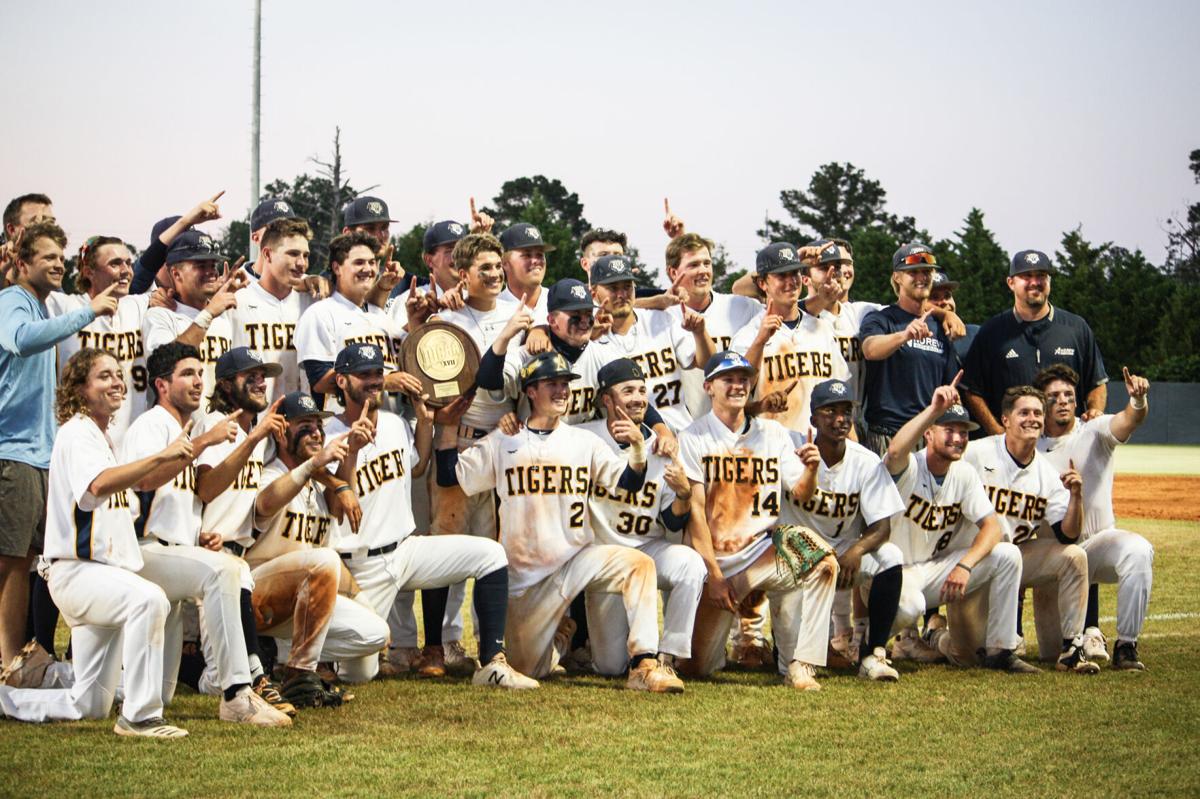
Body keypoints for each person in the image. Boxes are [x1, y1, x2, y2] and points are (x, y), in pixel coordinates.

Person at [437, 351, 683, 691]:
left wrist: (639, 448)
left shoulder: (584, 441)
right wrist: (448, 426)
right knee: (529, 669)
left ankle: (644, 665)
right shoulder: (504, 440)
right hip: (524, 582)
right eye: (551, 383)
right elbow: (451, 475)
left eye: (565, 384)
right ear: (530, 392)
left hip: (575, 561)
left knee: (638, 564)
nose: (562, 391)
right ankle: (560, 640)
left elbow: (628, 482)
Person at [0, 349, 188, 737]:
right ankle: (140, 717)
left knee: (89, 703)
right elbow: (98, 486)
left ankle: (6, 700)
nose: (117, 383)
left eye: (119, 375)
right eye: (104, 376)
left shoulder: (101, 437)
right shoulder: (77, 432)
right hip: (78, 572)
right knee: (148, 599)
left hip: (99, 575)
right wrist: (159, 457)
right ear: (80, 389)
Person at [325, 343, 534, 688]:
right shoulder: (328, 434)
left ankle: (492, 664)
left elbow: (419, 466)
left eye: (378, 373)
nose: (374, 381)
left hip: (405, 552)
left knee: (491, 554)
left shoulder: (392, 423)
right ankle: (312, 654)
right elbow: (336, 508)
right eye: (364, 375)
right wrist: (352, 453)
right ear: (342, 382)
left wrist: (425, 422)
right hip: (360, 565)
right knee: (359, 674)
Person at [123, 342, 293, 725]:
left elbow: (186, 497)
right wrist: (205, 442)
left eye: (200, 373)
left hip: (175, 552)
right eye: (187, 374)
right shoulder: (151, 425)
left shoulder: (185, 427)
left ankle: (59, 682)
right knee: (225, 570)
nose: (198, 381)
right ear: (161, 385)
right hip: (144, 551)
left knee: (152, 692)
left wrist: (200, 537)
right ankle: (237, 694)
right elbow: (146, 480)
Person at [676, 351, 838, 690]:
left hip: (763, 551)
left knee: (824, 563)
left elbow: (802, 493)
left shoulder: (773, 434)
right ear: (708, 386)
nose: (738, 385)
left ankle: (801, 663)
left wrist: (811, 469)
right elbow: (695, 514)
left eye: (743, 379)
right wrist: (715, 576)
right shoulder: (693, 437)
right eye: (728, 379)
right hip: (717, 562)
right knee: (696, 667)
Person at [0, 221, 117, 669]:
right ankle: (10, 663)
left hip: (36, 453)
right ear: (21, 261)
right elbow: (20, 340)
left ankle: (28, 658)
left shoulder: (42, 307)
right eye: (46, 256)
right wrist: (88, 311)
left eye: (60, 257)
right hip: (12, 452)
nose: (56, 264)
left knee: (30, 561)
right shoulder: (14, 301)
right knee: (11, 565)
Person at [881, 383, 1037, 672]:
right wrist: (933, 410)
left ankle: (1001, 651)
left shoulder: (964, 473)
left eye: (963, 432)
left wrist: (965, 565)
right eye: (948, 429)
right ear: (928, 433)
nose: (958, 438)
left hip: (934, 570)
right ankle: (869, 642)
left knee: (1007, 554)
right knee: (910, 606)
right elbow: (893, 450)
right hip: (891, 572)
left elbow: (992, 527)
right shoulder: (909, 467)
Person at [248, 391, 389, 704]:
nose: (315, 431)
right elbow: (264, 504)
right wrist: (315, 464)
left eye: (318, 424)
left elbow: (336, 525)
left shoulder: (316, 483)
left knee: (375, 633)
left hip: (300, 604)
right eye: (304, 424)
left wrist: (349, 453)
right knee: (322, 560)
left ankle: (281, 655)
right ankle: (299, 673)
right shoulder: (269, 473)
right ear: (282, 431)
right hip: (258, 597)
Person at [579, 359, 707, 674]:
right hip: (603, 554)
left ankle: (669, 657)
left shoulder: (662, 445)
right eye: (627, 391)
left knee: (690, 564)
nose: (637, 397)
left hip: (647, 549)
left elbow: (672, 523)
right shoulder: (582, 438)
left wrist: (683, 494)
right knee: (610, 667)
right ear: (606, 400)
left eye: (641, 390)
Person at [962, 385, 1099, 673]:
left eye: (1038, 413)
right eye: (1024, 412)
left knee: (1074, 555)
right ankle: (934, 636)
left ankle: (1071, 649)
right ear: (1005, 420)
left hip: (1015, 559)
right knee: (966, 652)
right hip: (969, 563)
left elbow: (1068, 533)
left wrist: (1076, 496)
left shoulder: (1047, 473)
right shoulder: (975, 453)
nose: (1032, 419)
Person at [780, 378, 906, 680]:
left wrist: (856, 550)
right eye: (830, 411)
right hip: (796, 557)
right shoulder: (792, 450)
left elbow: (882, 527)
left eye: (846, 411)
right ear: (813, 418)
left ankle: (874, 653)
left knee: (890, 556)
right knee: (787, 657)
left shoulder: (865, 460)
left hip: (845, 555)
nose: (839, 419)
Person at [1035, 364, 1155, 670]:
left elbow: (1128, 421)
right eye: (1053, 396)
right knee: (1050, 653)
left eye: (1068, 395)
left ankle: (1126, 645)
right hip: (1055, 558)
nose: (1062, 400)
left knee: (1138, 550)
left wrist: (1137, 401)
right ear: (1040, 402)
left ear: (1076, 401)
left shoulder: (1095, 428)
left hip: (1097, 543)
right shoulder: (1030, 447)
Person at [961, 249, 1108, 435]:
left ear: (1049, 282)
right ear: (1011, 283)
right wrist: (996, 431)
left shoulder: (1076, 328)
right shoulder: (992, 331)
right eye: (1026, 276)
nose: (1035, 282)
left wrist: (1095, 413)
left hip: (1065, 441)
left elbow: (1096, 383)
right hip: (1013, 447)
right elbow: (972, 390)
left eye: (1041, 276)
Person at [580, 254, 714, 432]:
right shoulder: (589, 340)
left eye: (627, 287)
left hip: (680, 430)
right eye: (613, 288)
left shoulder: (660, 319)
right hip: (624, 442)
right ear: (594, 293)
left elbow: (708, 363)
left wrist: (699, 332)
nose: (622, 294)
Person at [730, 242, 849, 436]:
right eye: (781, 275)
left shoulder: (822, 328)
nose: (790, 281)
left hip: (822, 445)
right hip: (771, 447)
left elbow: (839, 393)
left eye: (794, 273)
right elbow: (735, 397)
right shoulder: (748, 335)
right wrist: (760, 341)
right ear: (762, 283)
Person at [47, 236, 149, 446]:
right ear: (88, 272)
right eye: (115, 263)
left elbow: (158, 263)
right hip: (80, 437)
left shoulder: (137, 305)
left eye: (128, 263)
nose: (126, 270)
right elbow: (22, 288)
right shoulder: (66, 306)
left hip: (133, 441)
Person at [859, 243, 959, 456]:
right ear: (897, 277)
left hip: (928, 438)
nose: (922, 277)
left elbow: (948, 382)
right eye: (913, 272)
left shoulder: (940, 327)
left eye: (927, 271)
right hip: (888, 435)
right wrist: (904, 335)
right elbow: (870, 349)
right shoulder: (882, 319)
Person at [294, 231, 412, 410]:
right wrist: (384, 382)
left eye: (372, 262)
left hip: (391, 426)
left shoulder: (381, 316)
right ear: (337, 268)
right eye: (359, 263)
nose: (368, 269)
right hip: (343, 427)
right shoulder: (320, 313)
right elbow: (320, 381)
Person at [662, 232, 761, 418]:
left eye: (707, 263)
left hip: (742, 424)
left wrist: (780, 262)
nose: (703, 271)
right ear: (673, 273)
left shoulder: (740, 306)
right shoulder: (663, 318)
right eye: (693, 265)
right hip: (690, 431)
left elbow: (769, 290)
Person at [141, 230, 241, 402]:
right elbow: (163, 364)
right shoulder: (160, 315)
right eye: (201, 266)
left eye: (213, 265)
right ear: (176, 273)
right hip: (179, 426)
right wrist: (208, 315)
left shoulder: (223, 317)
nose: (211, 272)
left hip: (220, 423)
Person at [228, 218, 317, 401]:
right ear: (267, 254)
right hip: (253, 421)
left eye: (305, 255)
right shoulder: (237, 301)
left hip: (301, 420)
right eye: (293, 254)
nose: (302, 263)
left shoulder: (313, 302)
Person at [497, 223, 552, 324]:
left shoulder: (559, 301)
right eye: (527, 255)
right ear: (504, 263)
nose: (535, 261)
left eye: (540, 255)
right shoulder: (493, 307)